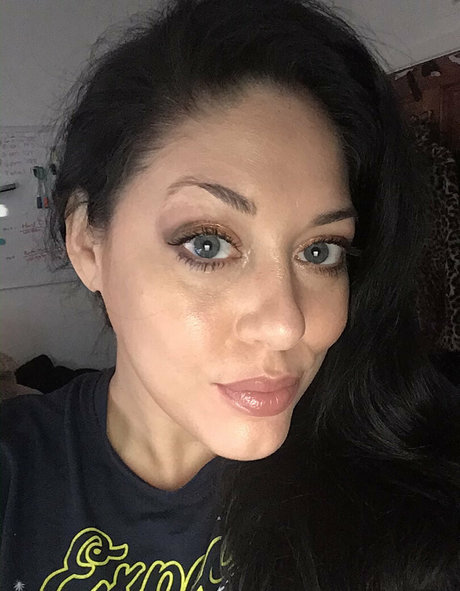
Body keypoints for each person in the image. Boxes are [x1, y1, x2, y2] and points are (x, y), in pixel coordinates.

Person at [1, 0, 459, 589]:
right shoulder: (15, 474)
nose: (286, 324)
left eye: (320, 251)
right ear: (89, 244)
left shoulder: (405, 498)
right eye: (208, 244)